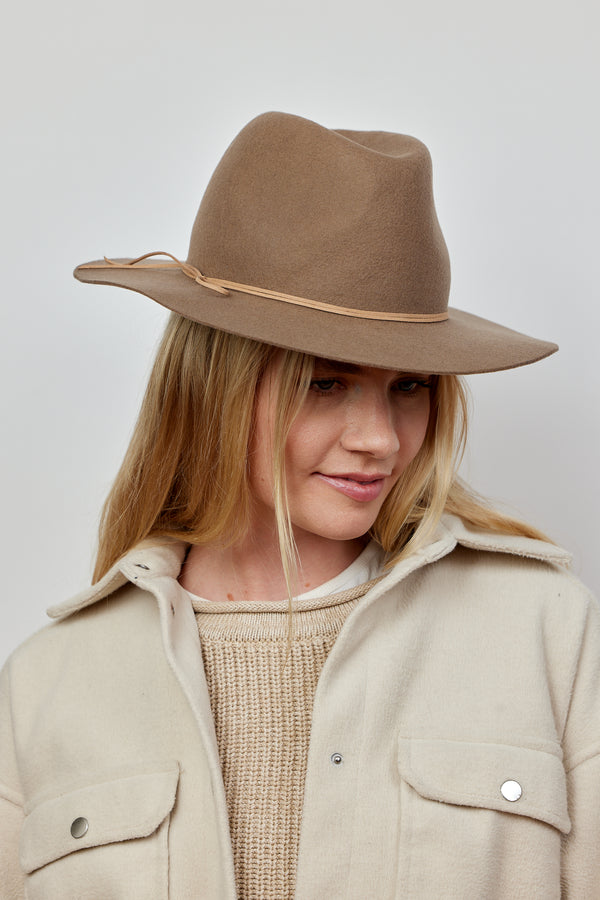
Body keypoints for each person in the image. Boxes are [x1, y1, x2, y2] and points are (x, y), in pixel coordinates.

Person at [0, 111, 598, 900]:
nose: (380, 439)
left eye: (409, 386)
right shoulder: (50, 683)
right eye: (325, 383)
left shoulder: (545, 633)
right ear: (211, 387)